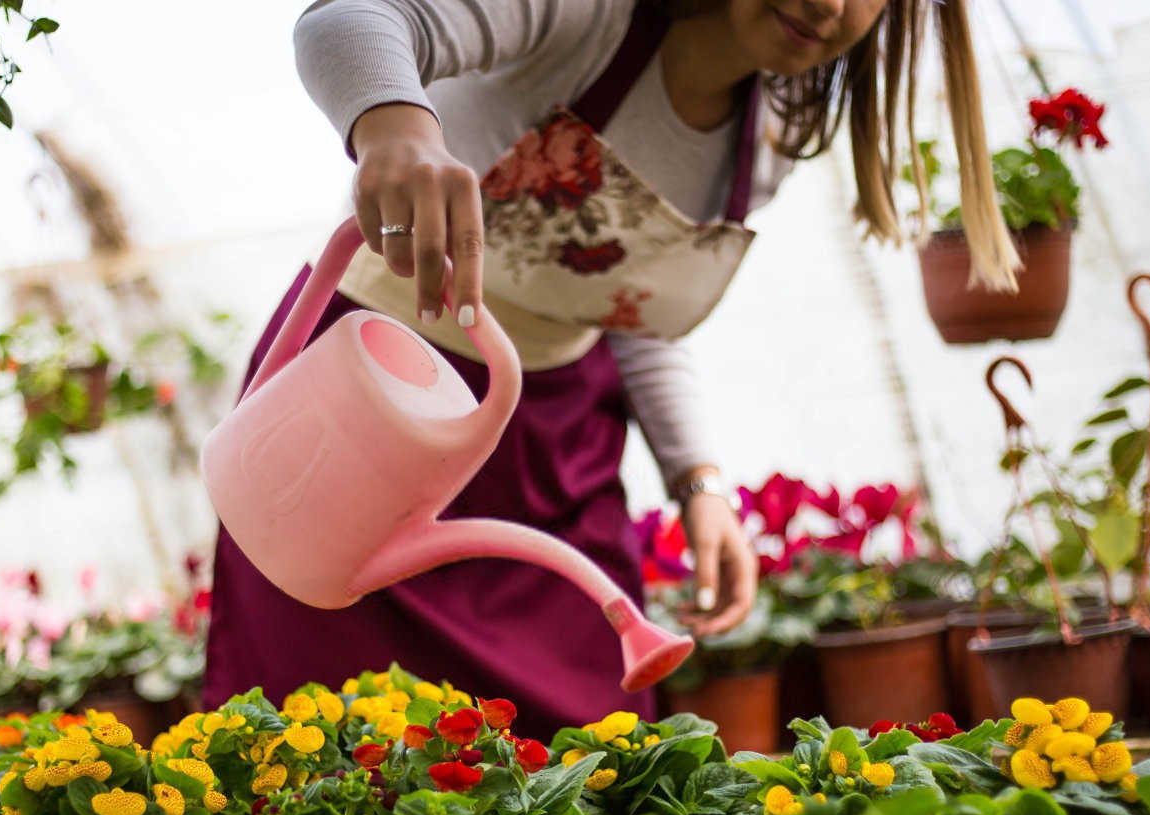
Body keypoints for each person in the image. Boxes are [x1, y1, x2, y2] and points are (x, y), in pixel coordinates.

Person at [203, 0, 1017, 739]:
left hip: (553, 446)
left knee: (593, 752)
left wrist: (697, 482)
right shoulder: (590, 15)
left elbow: (629, 302)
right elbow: (347, 21)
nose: (829, 5)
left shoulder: (766, 143)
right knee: (327, 750)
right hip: (364, 411)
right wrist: (396, 131)